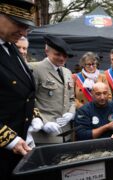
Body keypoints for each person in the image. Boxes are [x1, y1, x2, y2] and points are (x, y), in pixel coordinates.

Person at [0, 1, 38, 179]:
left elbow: (24, 92)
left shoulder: (10, 47)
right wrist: (8, 138)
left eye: (26, 27)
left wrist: (32, 117)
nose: (23, 33)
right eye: (19, 24)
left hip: (19, 148)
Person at [29, 35, 76, 144]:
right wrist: (43, 122)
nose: (62, 58)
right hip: (45, 135)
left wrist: (71, 113)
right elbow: (28, 100)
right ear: (47, 51)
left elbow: (71, 98)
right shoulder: (35, 69)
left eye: (65, 55)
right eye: (57, 54)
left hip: (66, 132)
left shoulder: (67, 72)